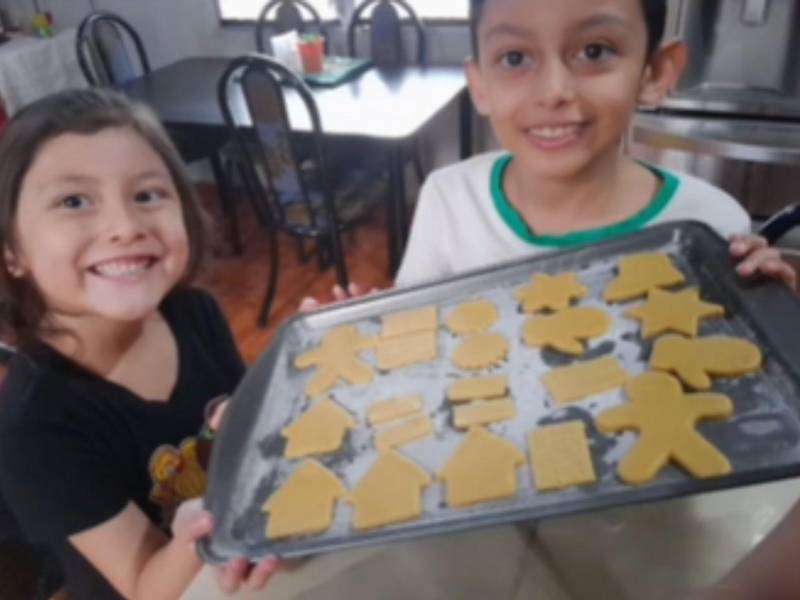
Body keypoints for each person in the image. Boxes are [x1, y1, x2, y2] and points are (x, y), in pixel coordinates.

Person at [0, 89, 277, 599]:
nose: (126, 227)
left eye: (147, 194)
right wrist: (202, 528)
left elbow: (244, 437)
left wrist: (302, 371)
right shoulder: (32, 426)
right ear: (12, 250)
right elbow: (146, 587)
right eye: (73, 201)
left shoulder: (196, 313)